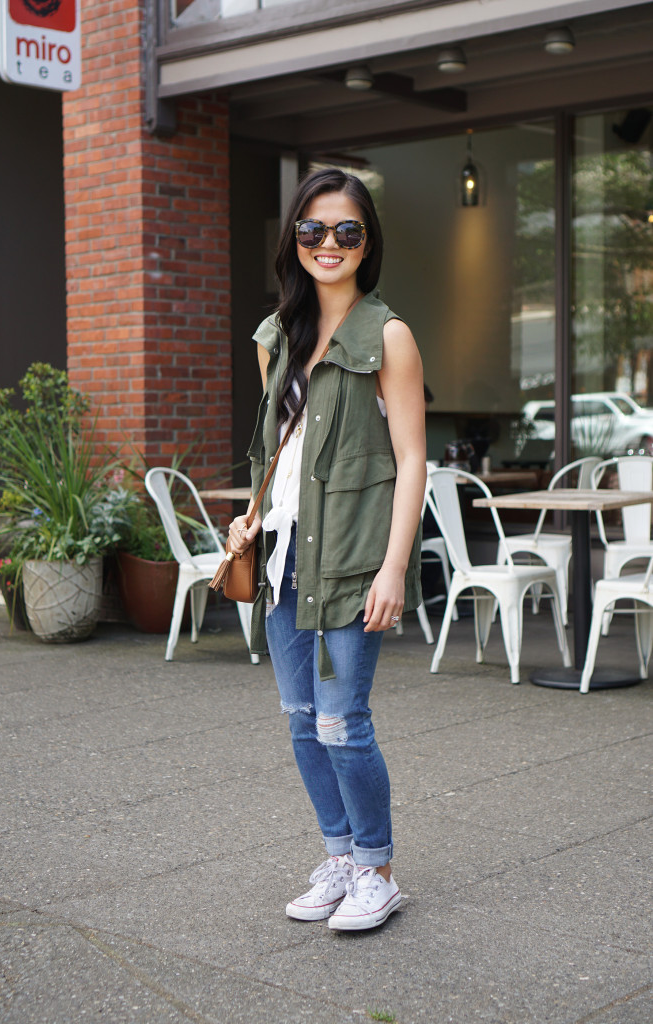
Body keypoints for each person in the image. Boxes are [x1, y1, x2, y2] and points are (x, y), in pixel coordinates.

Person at [228, 168, 426, 931]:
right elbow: (279, 446)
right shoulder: (275, 336)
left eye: (347, 230)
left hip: (349, 555)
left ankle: (376, 869)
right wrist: (249, 519)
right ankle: (339, 856)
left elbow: (411, 458)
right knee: (301, 719)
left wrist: (393, 566)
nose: (328, 243)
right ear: (294, 241)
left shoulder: (388, 336)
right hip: (283, 555)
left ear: (366, 243)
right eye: (313, 230)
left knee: (343, 719)